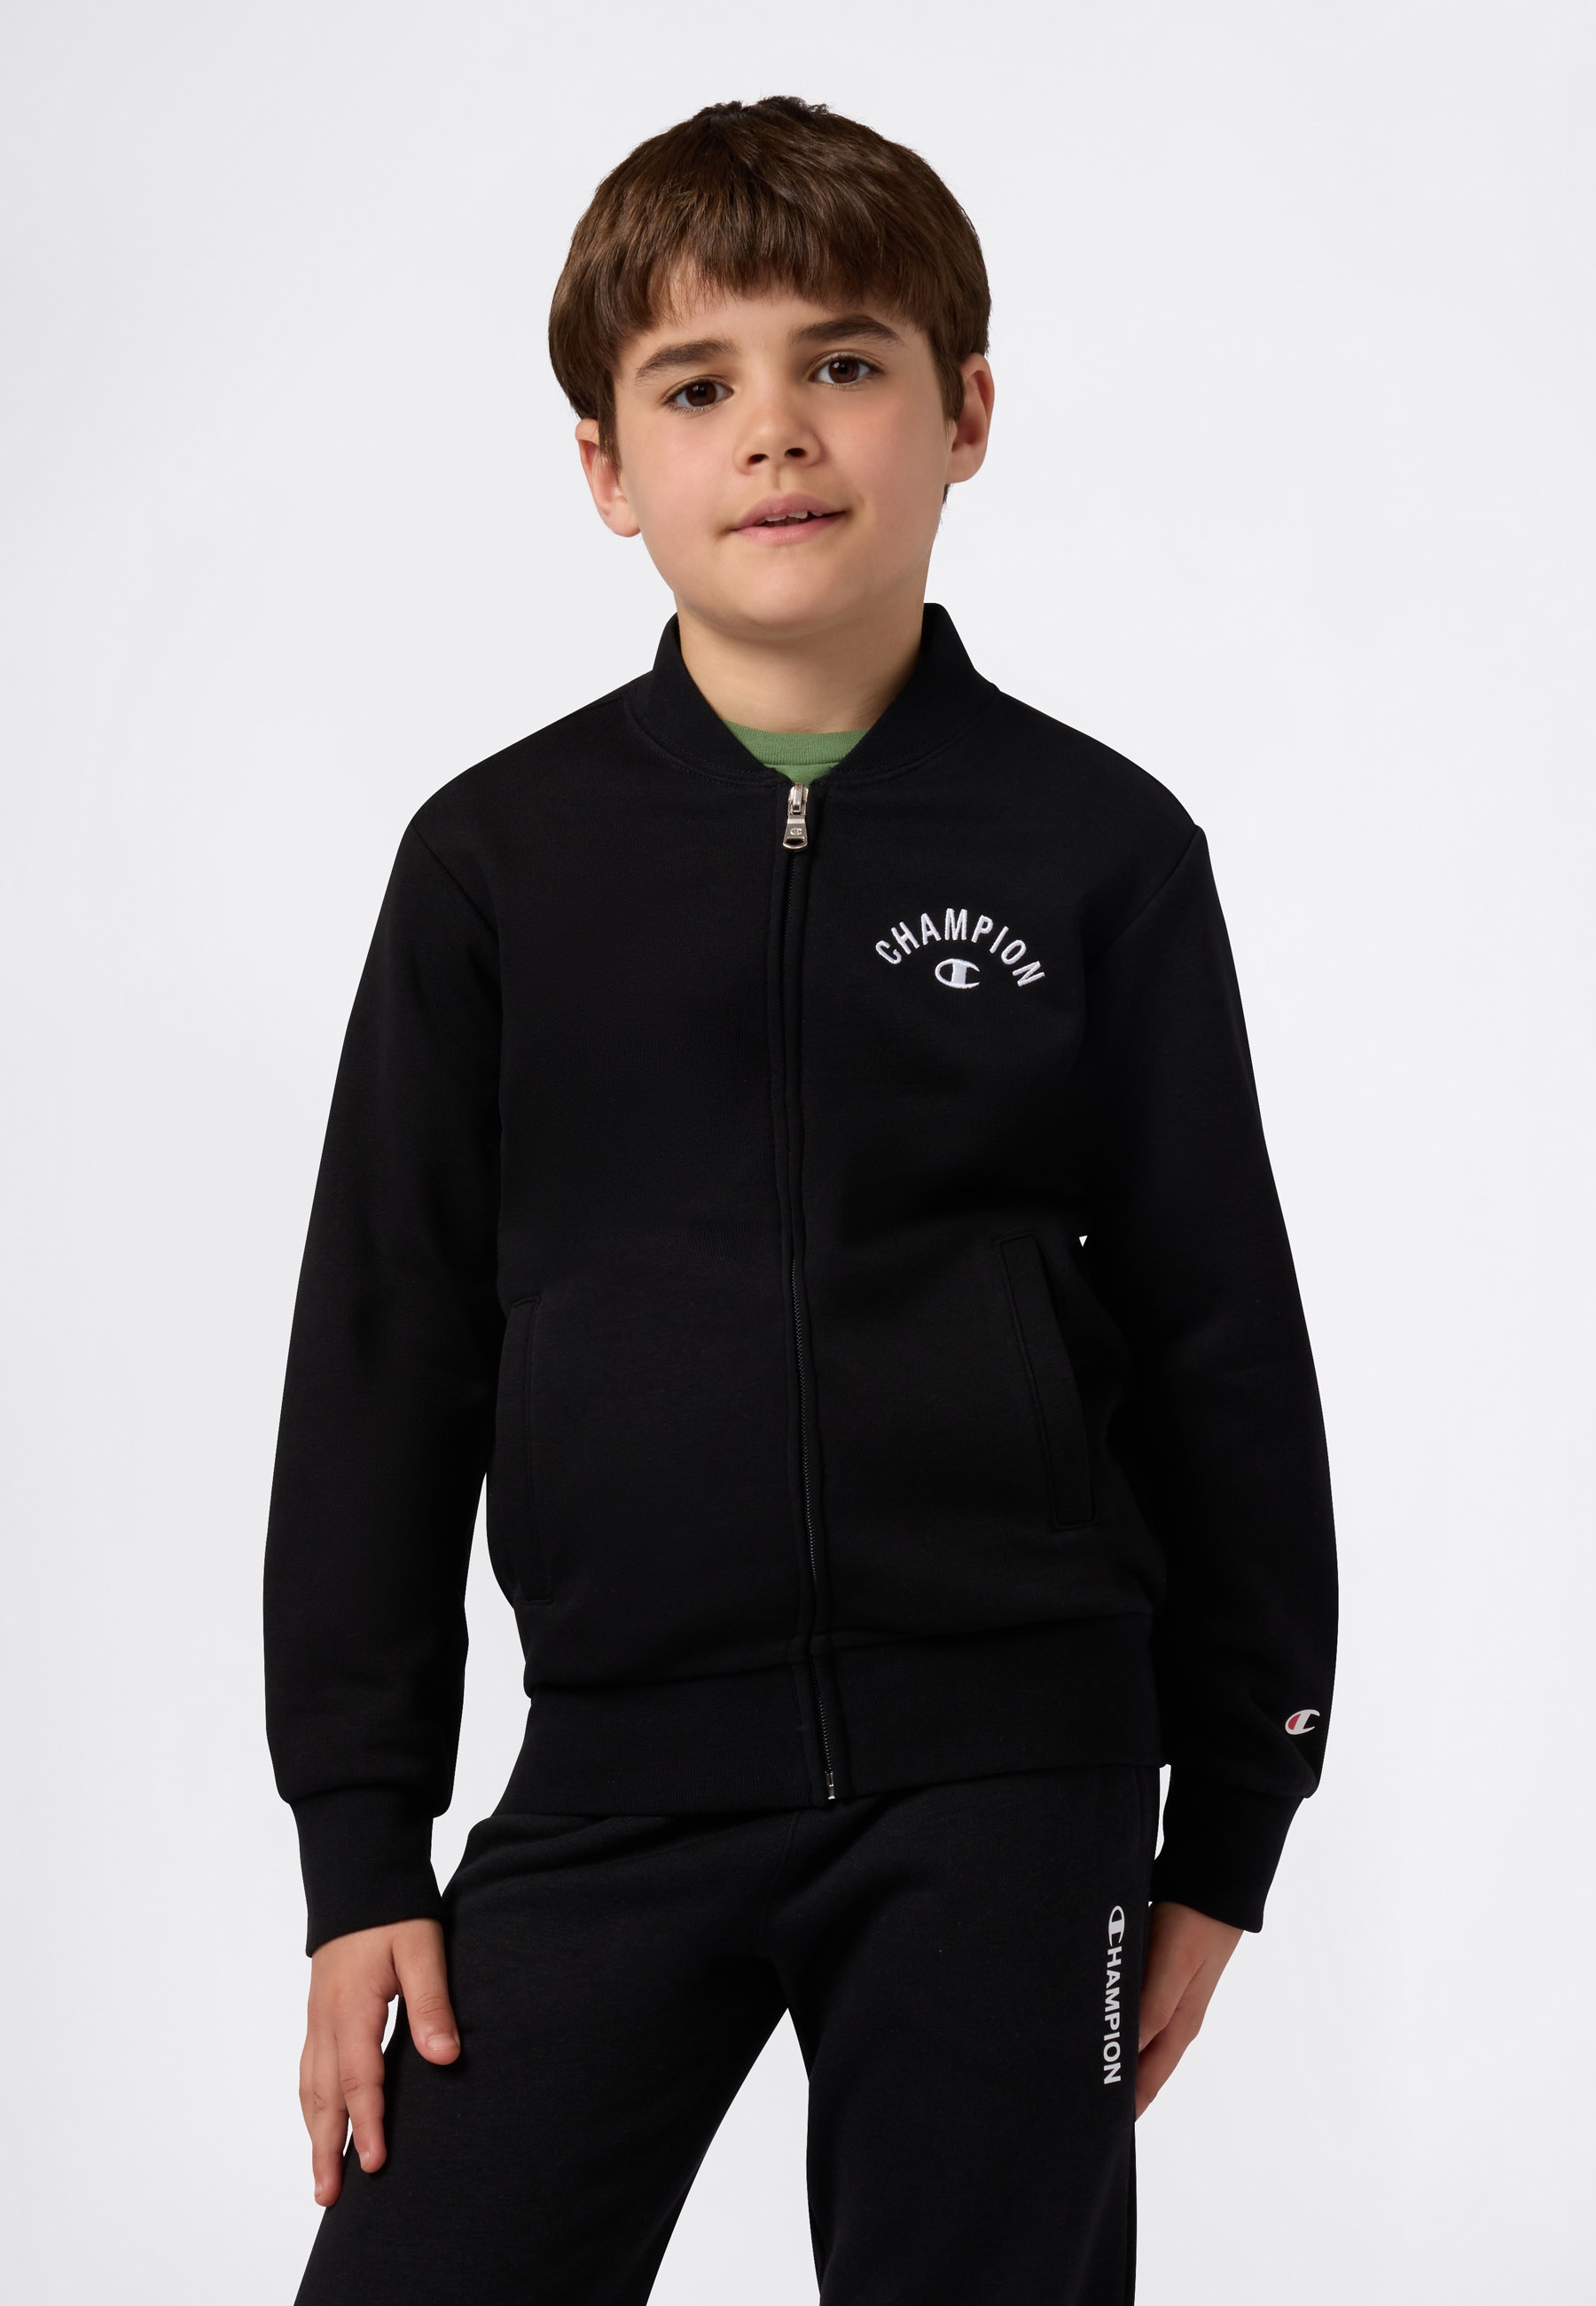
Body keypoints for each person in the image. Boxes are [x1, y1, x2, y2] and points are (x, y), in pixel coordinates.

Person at [264, 94, 1337, 2304]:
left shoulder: (1099, 852)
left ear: (964, 416)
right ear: (605, 467)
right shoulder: (496, 867)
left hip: (1014, 1789)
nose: (775, 428)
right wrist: (362, 1848)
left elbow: (1223, 1335)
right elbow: (385, 1349)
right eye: (697, 385)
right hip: (619, 1775)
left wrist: (1229, 1823)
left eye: (843, 362)